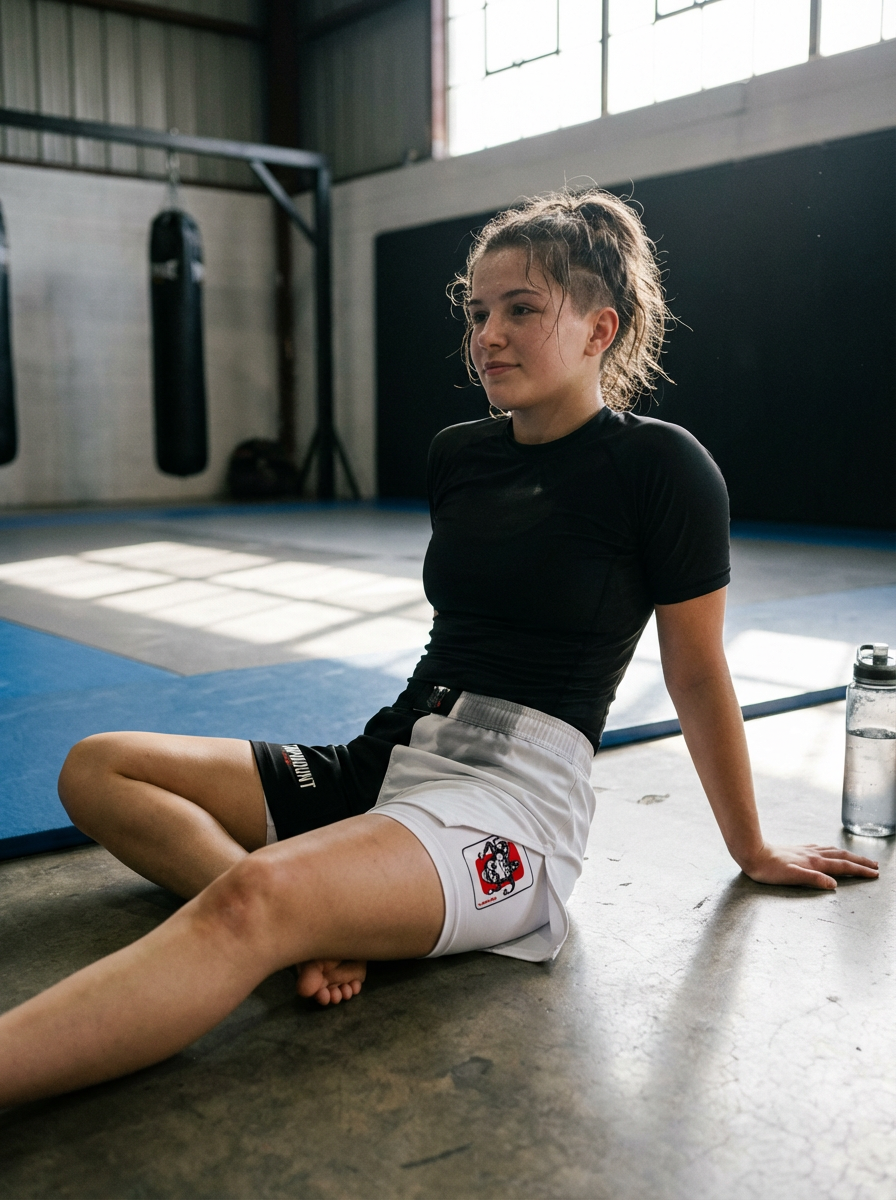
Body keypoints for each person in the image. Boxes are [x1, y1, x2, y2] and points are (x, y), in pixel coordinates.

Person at [0, 188, 877, 1109]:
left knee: (254, 902)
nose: (488, 335)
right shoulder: (459, 455)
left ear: (600, 329)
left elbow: (694, 672)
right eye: (478, 312)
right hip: (391, 753)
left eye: (521, 310)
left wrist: (751, 846)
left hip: (511, 802)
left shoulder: (663, 466)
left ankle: (285, 915)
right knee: (98, 767)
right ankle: (310, 925)